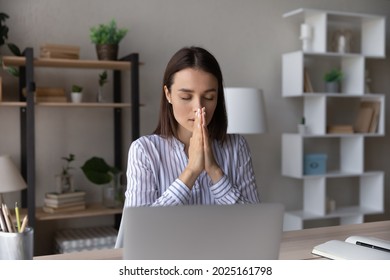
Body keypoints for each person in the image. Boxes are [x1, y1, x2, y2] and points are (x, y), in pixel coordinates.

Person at [115, 46, 259, 246]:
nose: (199, 108)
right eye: (185, 97)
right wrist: (191, 171)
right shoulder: (144, 151)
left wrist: (215, 171)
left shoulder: (236, 146)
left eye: (209, 97)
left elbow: (256, 226)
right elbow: (139, 234)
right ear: (168, 94)